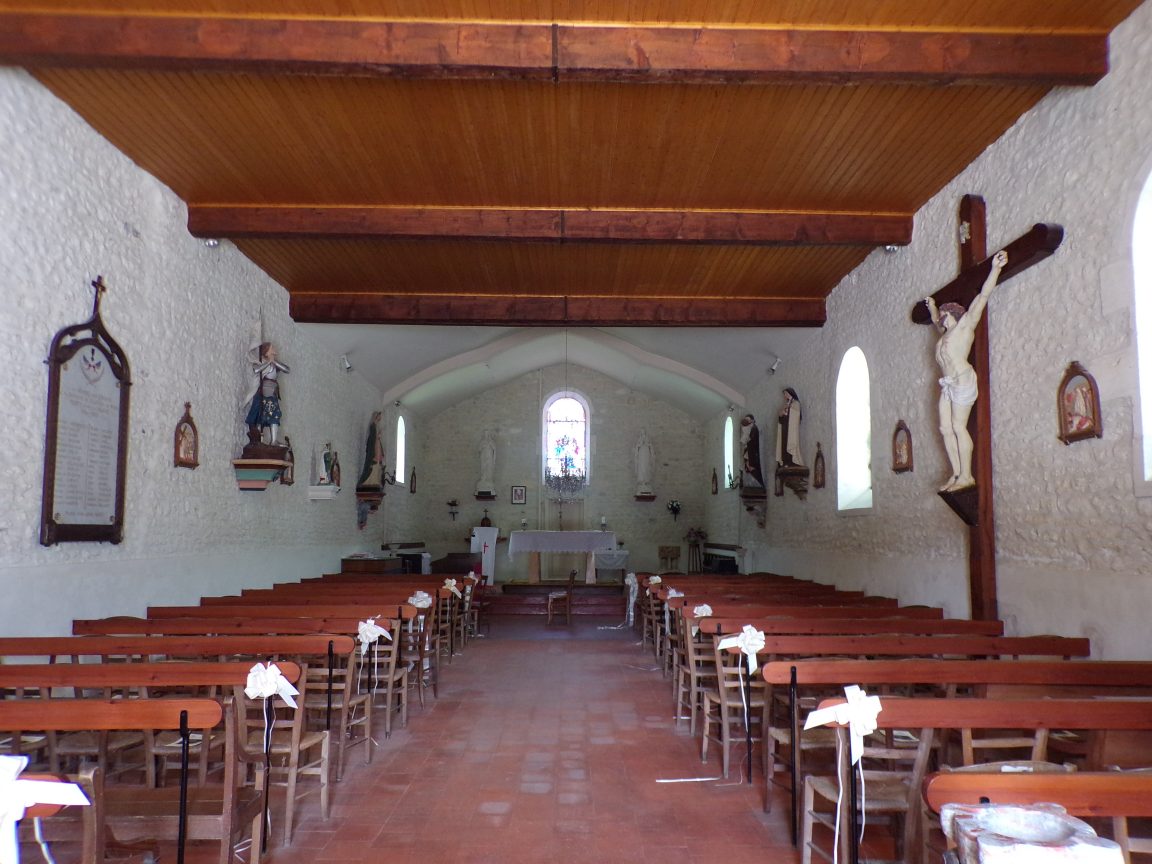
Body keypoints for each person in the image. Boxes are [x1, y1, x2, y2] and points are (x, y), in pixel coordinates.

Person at [925, 249, 1008, 492]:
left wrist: (996, 268)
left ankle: (967, 476)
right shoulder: (944, 334)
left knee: (959, 426)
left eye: (941, 313)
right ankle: (957, 473)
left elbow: (983, 296)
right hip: (948, 384)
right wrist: (931, 307)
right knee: (944, 428)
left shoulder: (964, 327)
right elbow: (935, 324)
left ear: (950, 313)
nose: (939, 317)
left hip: (962, 380)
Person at [243, 341, 289, 445]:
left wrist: (274, 362)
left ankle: (273, 440)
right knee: (260, 415)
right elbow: (256, 370)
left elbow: (287, 369)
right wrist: (268, 362)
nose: (274, 350)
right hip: (263, 393)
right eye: (272, 348)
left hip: (272, 393)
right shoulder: (261, 362)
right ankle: (258, 439)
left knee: (275, 415)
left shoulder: (275, 364)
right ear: (267, 352)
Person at [776, 387, 805, 468]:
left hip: (791, 429)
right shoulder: (786, 404)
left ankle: (792, 461)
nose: (785, 396)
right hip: (785, 428)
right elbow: (782, 417)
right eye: (784, 394)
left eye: (785, 393)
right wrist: (781, 415)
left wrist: (786, 412)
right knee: (784, 444)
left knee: (791, 443)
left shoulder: (796, 403)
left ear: (790, 393)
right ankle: (786, 461)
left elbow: (796, 416)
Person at [740, 414, 766, 491]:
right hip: (750, 452)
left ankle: (760, 485)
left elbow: (752, 441)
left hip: (753, 454)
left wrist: (747, 441)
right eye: (746, 419)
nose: (747, 421)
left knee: (753, 468)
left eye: (748, 419)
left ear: (752, 420)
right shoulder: (749, 428)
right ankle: (757, 485)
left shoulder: (754, 428)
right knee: (749, 467)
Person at [634, 429, 654, 496]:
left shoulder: (648, 439)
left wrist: (647, 444)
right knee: (641, 467)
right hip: (641, 454)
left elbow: (650, 446)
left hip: (646, 453)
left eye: (644, 432)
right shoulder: (639, 439)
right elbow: (637, 447)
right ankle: (642, 482)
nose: (643, 434)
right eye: (642, 432)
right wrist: (640, 444)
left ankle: (646, 481)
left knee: (647, 467)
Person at [476, 429, 496, 495]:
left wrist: (491, 444)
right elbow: (479, 449)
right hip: (483, 456)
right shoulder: (482, 442)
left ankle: (488, 479)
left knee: (489, 467)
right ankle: (483, 478)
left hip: (489, 456)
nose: (486, 435)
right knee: (483, 467)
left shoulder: (491, 441)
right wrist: (483, 446)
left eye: (487, 434)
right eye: (485, 434)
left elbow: (494, 449)